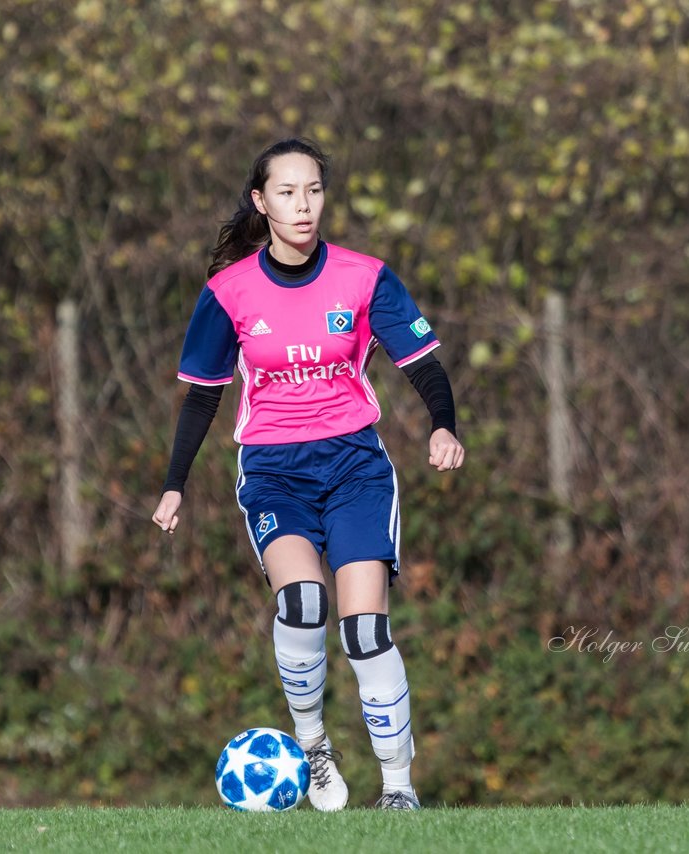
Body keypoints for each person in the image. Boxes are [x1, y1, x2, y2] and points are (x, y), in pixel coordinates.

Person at [152, 137, 464, 811]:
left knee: (365, 630)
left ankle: (399, 790)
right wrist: (175, 482)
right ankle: (314, 748)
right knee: (302, 603)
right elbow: (204, 394)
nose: (303, 205)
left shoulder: (364, 277)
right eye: (287, 192)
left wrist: (444, 423)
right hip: (272, 472)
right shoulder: (227, 293)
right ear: (261, 203)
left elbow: (424, 364)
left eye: (314, 190)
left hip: (355, 466)